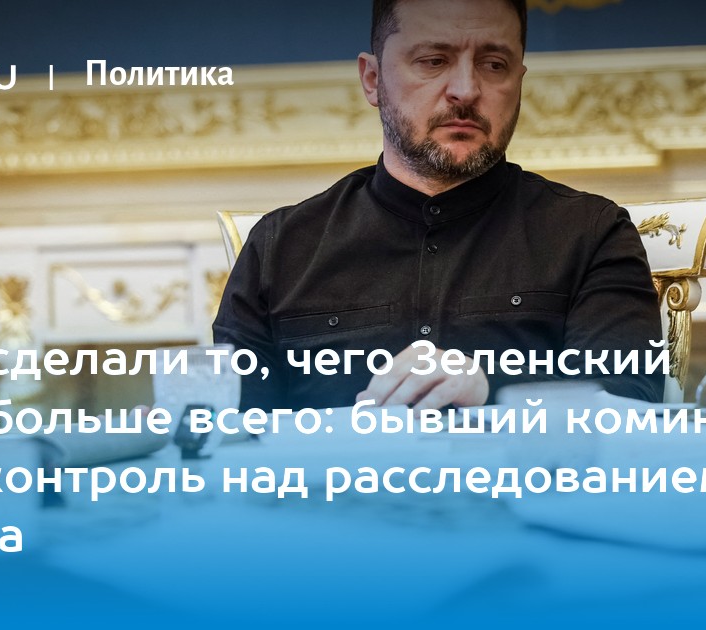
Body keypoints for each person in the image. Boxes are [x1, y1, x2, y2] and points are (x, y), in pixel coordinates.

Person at [213, 0, 663, 412]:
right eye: (433, 60)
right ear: (373, 80)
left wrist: (491, 386)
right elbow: (229, 429)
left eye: (494, 64)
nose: (465, 90)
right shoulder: (280, 247)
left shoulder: (592, 233)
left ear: (519, 81)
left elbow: (630, 403)